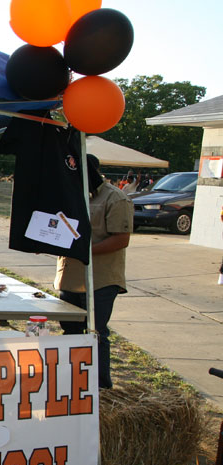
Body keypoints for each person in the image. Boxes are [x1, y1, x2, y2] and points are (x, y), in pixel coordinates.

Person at [55, 154, 134, 389]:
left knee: (95, 334)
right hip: (69, 277)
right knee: (70, 332)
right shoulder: (69, 195)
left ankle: (99, 388)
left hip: (100, 280)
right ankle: (70, 385)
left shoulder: (115, 198)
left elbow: (121, 239)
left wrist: (85, 250)